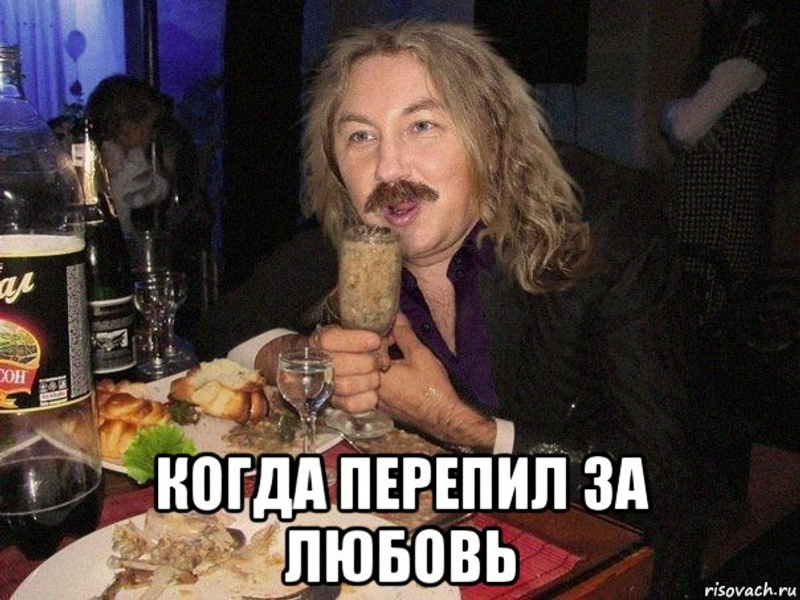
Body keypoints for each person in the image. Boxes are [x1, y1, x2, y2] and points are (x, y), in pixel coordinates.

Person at [199, 22, 701, 597]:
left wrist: (463, 426)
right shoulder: (353, 239)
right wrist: (297, 355)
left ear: (491, 138)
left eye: (422, 125)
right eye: (361, 136)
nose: (389, 169)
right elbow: (221, 325)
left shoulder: (609, 226)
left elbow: (661, 473)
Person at [660, 0, 788, 330]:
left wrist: (675, 113)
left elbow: (685, 127)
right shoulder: (745, 45)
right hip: (712, 214)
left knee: (700, 321)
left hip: (718, 217)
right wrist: (677, 114)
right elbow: (684, 123)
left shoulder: (751, 48)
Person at [85, 74, 171, 237]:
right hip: (114, 238)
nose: (151, 135)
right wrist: (163, 177)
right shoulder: (124, 161)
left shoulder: (96, 152)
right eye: (148, 127)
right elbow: (150, 193)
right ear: (127, 128)